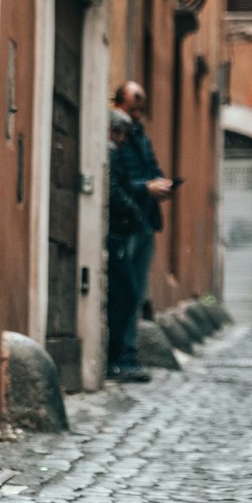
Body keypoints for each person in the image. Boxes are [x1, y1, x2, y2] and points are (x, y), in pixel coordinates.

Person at [113, 82, 174, 383]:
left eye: (141, 109)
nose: (138, 114)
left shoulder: (139, 135)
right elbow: (119, 180)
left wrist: (162, 183)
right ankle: (122, 356)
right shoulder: (117, 134)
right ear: (120, 103)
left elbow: (151, 167)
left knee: (135, 292)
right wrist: (145, 188)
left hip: (145, 219)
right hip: (127, 221)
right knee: (127, 291)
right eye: (133, 108)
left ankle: (128, 353)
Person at [106, 109, 144, 381]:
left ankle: (116, 356)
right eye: (121, 134)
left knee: (125, 295)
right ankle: (115, 358)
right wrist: (133, 210)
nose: (122, 140)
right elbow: (113, 189)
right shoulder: (110, 151)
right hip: (115, 233)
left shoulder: (113, 151)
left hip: (118, 233)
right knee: (126, 295)